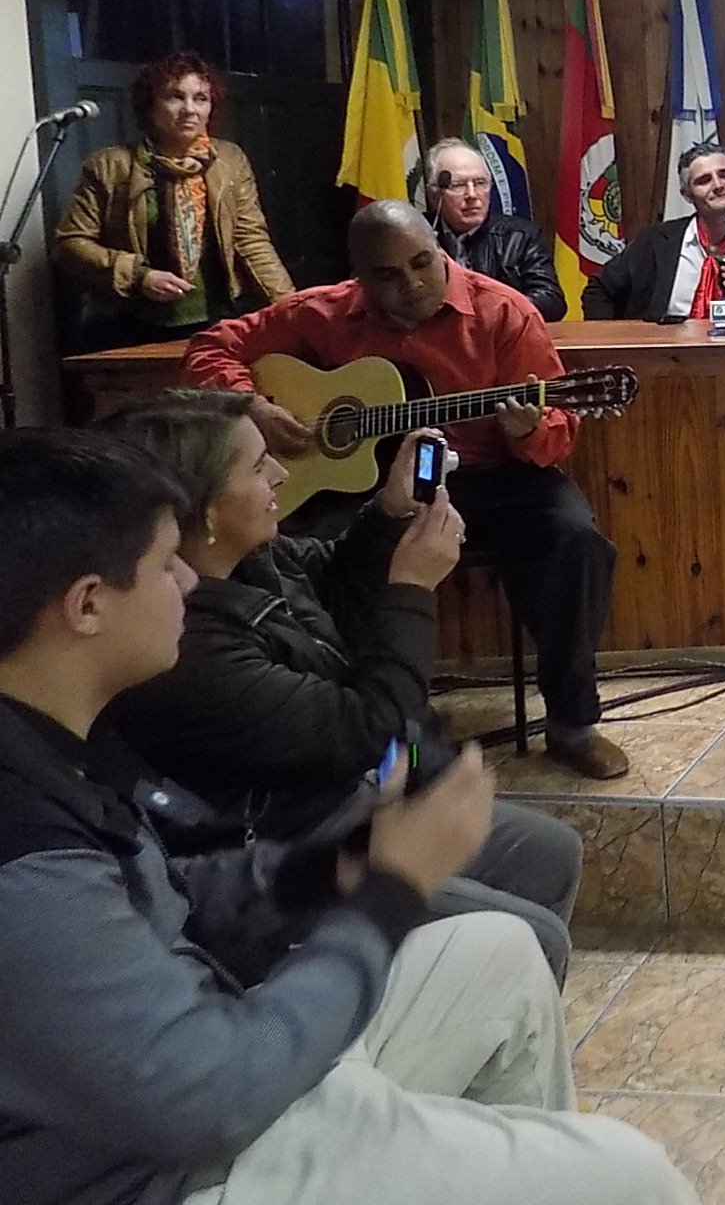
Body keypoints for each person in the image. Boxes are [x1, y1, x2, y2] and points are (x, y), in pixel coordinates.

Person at [0, 427, 696, 1205]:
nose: (188, 582)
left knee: (502, 950)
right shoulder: (24, 846)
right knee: (633, 1175)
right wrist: (388, 895)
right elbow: (209, 1103)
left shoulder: (53, 742)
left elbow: (165, 897)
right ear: (87, 605)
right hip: (182, 1164)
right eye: (164, 566)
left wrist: (325, 869)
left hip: (214, 1068)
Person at [92, 389, 586, 982]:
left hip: (349, 799)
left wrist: (389, 514)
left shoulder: (253, 558)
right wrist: (413, 590)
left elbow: (334, 576)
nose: (280, 474)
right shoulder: (187, 646)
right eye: (258, 466)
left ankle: (489, 1019)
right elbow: (366, 730)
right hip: (292, 843)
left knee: (550, 854)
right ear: (206, 511)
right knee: (531, 938)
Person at [182, 201, 628, 781]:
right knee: (300, 558)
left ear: (440, 249)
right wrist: (253, 406)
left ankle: (572, 723)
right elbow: (210, 346)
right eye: (387, 275)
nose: (412, 283)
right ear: (360, 277)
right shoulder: (323, 311)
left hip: (492, 477)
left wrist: (528, 429)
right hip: (370, 485)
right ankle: (358, 723)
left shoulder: (503, 312)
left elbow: (558, 432)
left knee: (574, 542)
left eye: (422, 263)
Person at [52, 51, 294, 350]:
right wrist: (139, 276)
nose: (190, 109)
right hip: (129, 324)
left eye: (201, 98)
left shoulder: (229, 160)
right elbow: (71, 243)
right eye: (176, 97)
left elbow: (251, 239)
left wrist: (292, 308)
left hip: (216, 320)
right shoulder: (110, 165)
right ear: (150, 105)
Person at [584, 142, 725, 321]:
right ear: (687, 195)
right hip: (663, 346)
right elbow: (598, 289)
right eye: (704, 180)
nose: (718, 185)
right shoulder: (655, 241)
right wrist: (612, 341)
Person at [425, 139, 565, 322]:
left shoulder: (520, 236)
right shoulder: (415, 237)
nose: (472, 195)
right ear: (434, 195)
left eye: (480, 183)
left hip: (499, 335)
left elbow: (551, 301)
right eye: (458, 185)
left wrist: (487, 313)